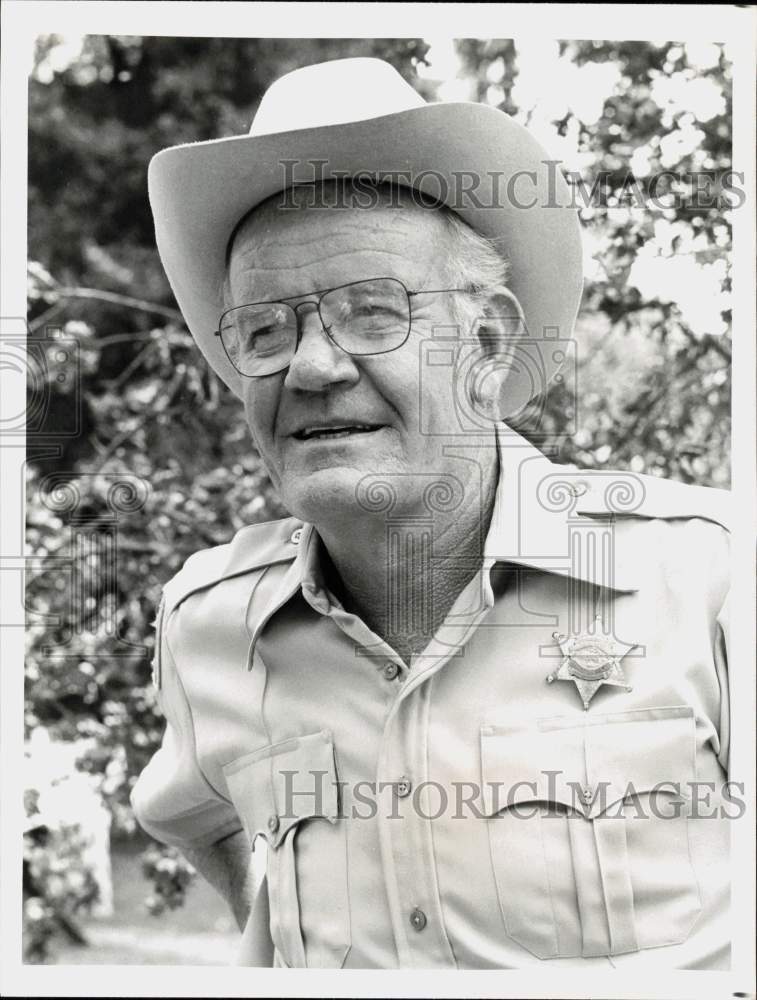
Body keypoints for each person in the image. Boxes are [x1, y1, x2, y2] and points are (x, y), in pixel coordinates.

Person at [131, 57, 732, 969]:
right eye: (266, 330)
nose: (313, 367)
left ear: (487, 342)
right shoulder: (205, 625)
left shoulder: (709, 577)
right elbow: (190, 815)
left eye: (374, 313)